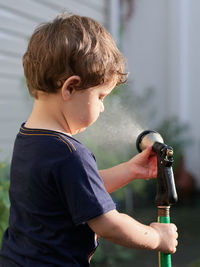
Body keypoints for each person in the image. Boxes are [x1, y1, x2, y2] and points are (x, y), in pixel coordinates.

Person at [0, 12, 178, 267]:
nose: (103, 108)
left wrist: (129, 170)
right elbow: (109, 224)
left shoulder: (28, 137)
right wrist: (157, 238)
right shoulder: (69, 153)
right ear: (70, 88)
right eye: (101, 97)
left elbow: (78, 189)